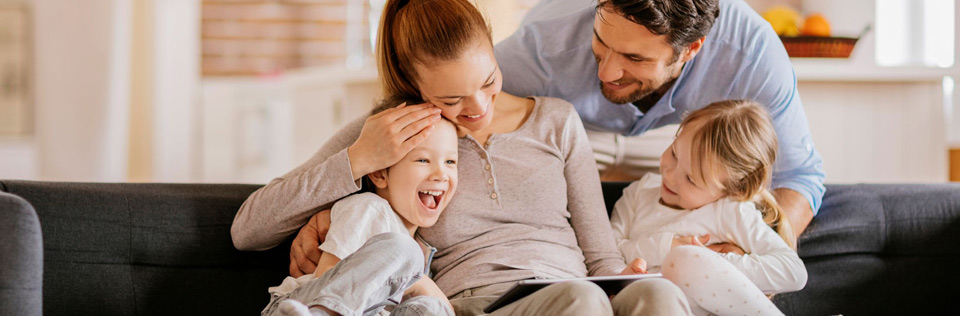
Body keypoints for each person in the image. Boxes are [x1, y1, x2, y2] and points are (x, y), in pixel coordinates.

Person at [231, 0, 692, 315]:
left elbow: (599, 253)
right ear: (415, 88)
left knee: (656, 294)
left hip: (573, 289)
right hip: (477, 301)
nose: (479, 108)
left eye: (489, 81)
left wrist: (623, 278)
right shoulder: (396, 135)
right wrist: (355, 160)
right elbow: (247, 229)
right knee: (582, 303)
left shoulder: (557, 120)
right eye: (452, 98)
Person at [494, 0, 826, 237]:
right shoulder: (539, 48)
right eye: (601, 41)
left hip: (680, 142)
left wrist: (746, 254)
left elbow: (798, 176)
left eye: (634, 57)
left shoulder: (750, 52)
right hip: (571, 128)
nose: (606, 70)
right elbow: (455, 101)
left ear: (691, 49)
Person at [610, 100, 807, 315]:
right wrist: (669, 245)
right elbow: (607, 250)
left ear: (733, 190)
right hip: (640, 305)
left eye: (691, 179)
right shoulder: (639, 192)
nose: (670, 175)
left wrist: (713, 262)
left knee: (683, 260)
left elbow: (793, 272)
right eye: (674, 153)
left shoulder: (729, 210)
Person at [258, 113, 459, 316]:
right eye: (423, 160)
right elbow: (330, 277)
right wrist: (420, 282)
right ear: (380, 174)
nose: (441, 174)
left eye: (450, 161)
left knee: (431, 307)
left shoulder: (424, 246)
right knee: (406, 253)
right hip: (306, 304)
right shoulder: (368, 208)